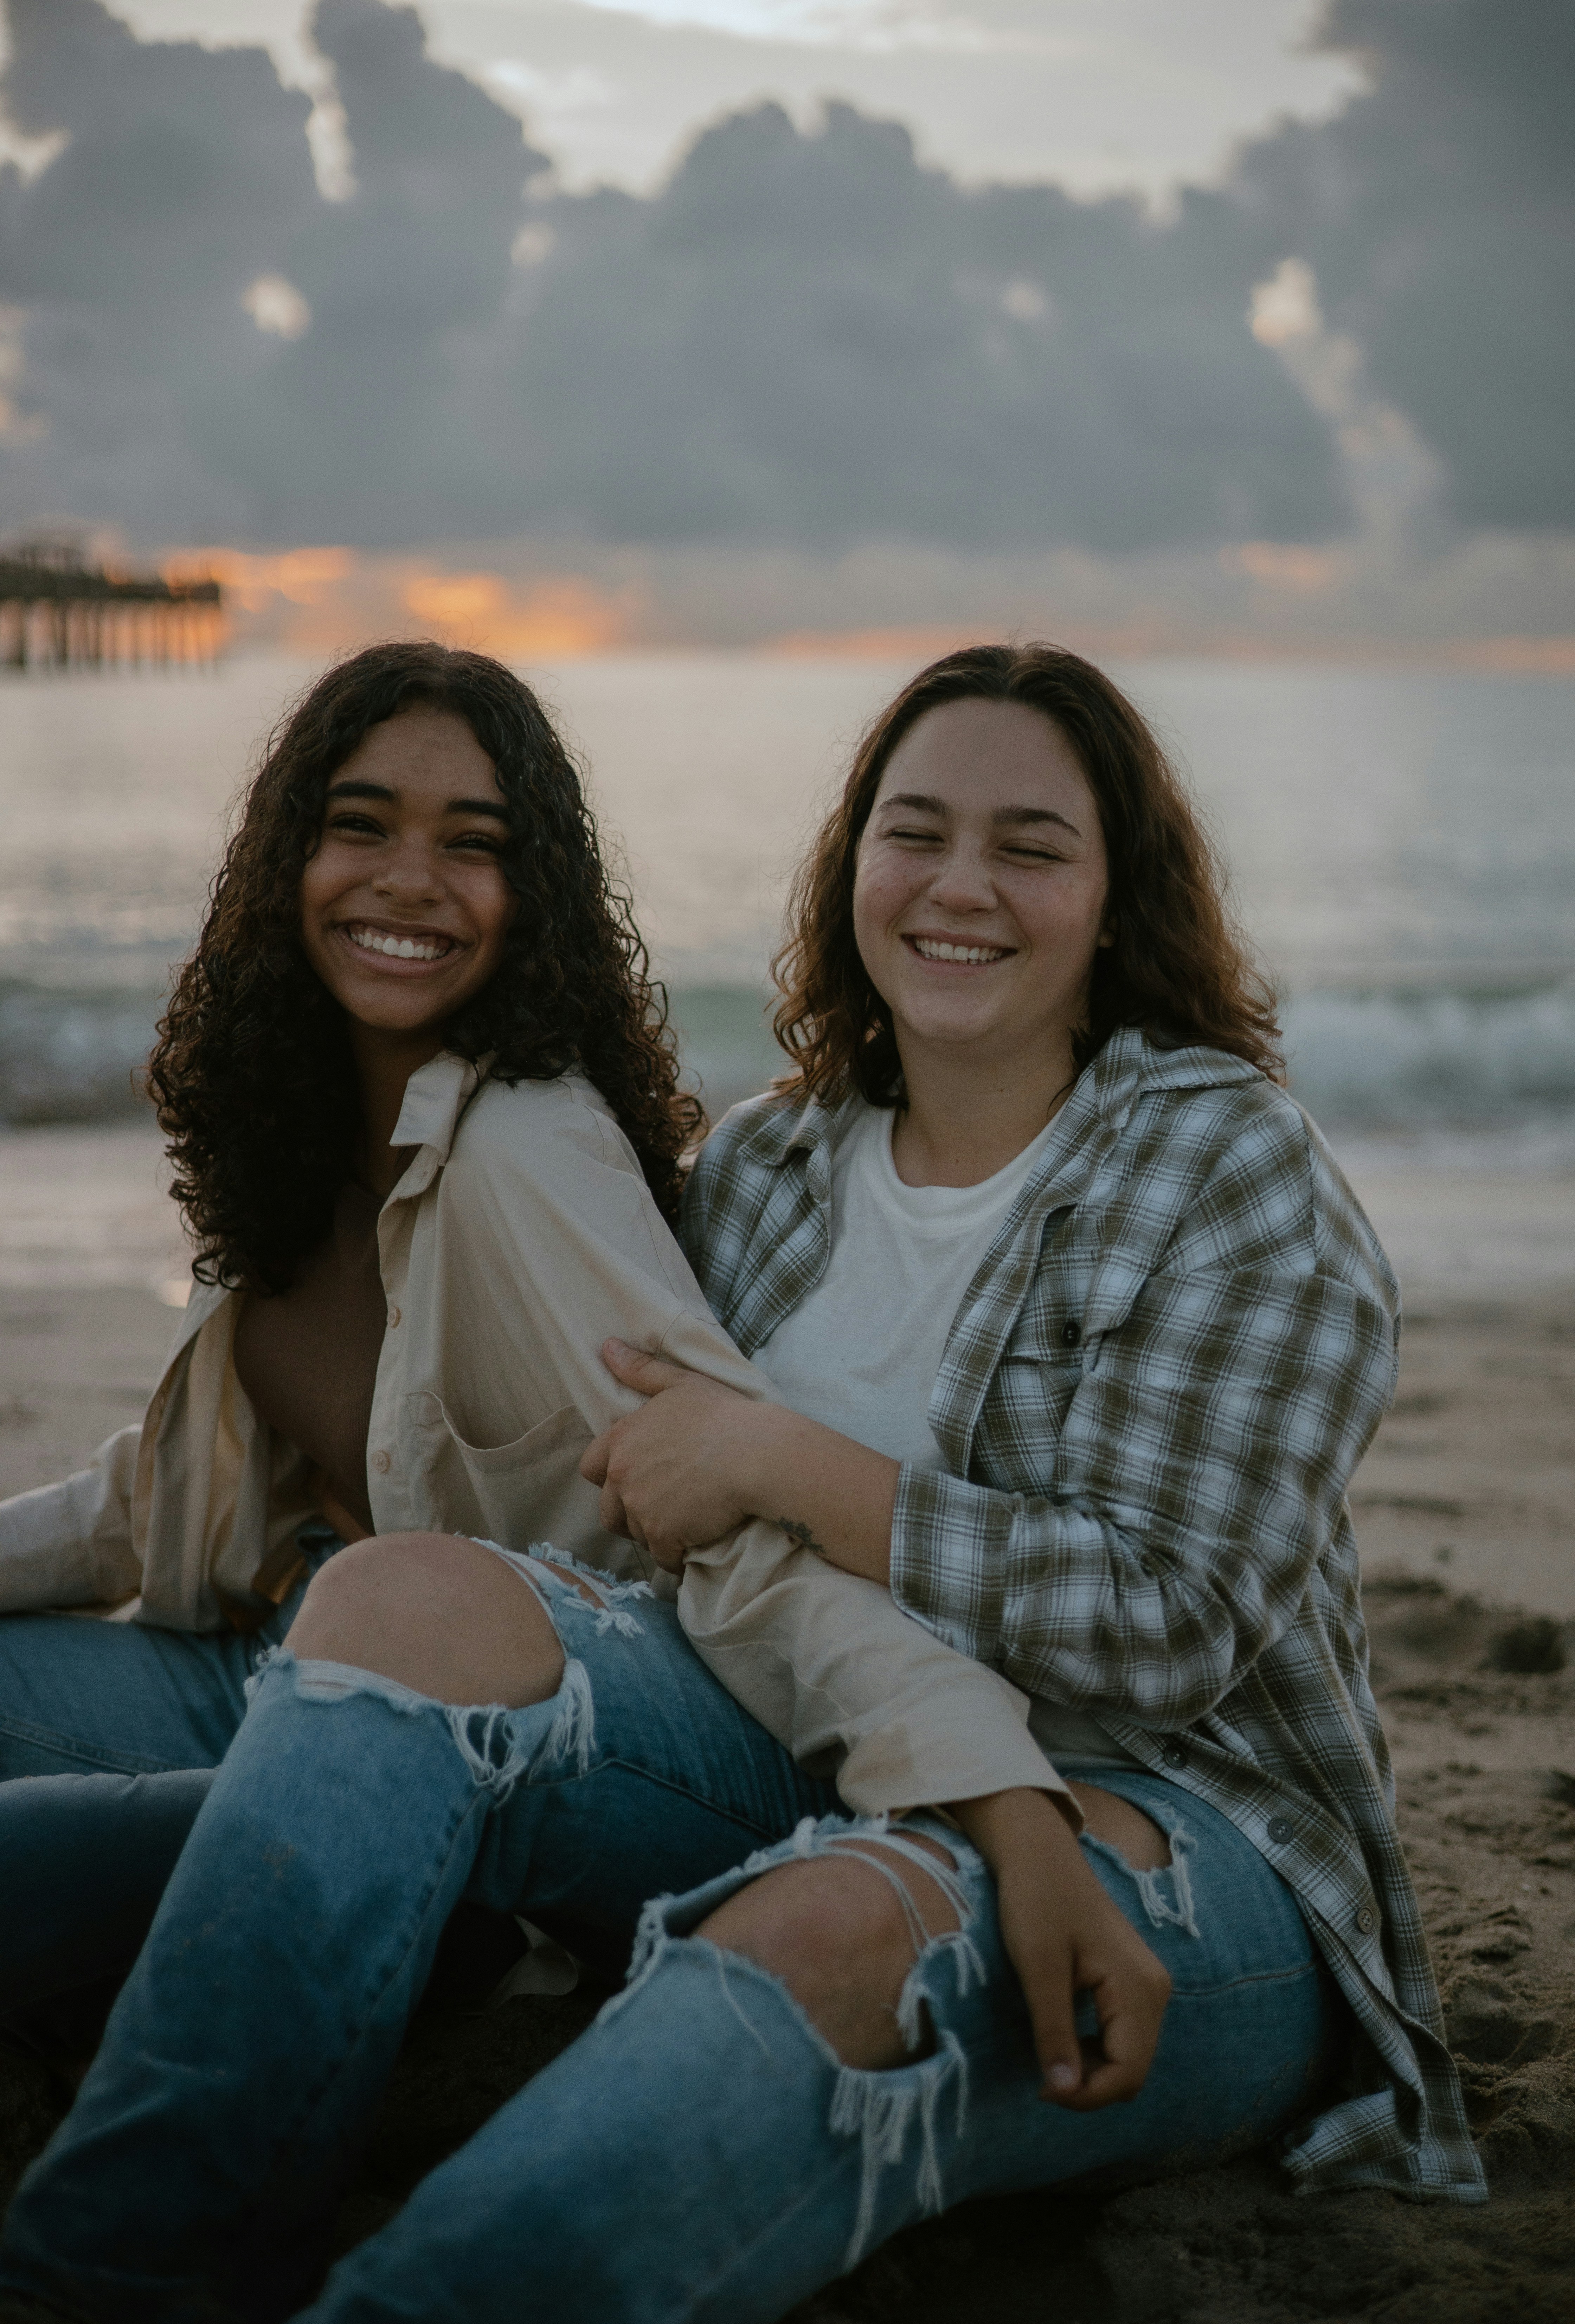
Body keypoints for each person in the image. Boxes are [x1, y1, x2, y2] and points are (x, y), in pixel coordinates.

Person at [0, 645, 1483, 2324]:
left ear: (1115, 895)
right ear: (850, 865)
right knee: (405, 1595)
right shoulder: (770, 1171)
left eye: (1031, 845)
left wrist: (786, 1465)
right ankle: (105, 2284)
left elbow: (1163, 1632)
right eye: (912, 831)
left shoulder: (1223, 1167)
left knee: (825, 1928)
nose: (958, 886)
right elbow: (645, 1523)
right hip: (807, 1741)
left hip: (1165, 1823)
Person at [0, 637, 1092, 2049]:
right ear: (286, 861)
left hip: (496, 1749)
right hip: (273, 1658)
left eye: (474, 843)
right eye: (360, 826)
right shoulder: (291, 1138)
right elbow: (156, 1495)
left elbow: (736, 1532)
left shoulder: (527, 1149)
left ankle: (437, 1943)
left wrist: (994, 1797)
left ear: (534, 900)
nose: (408, 879)